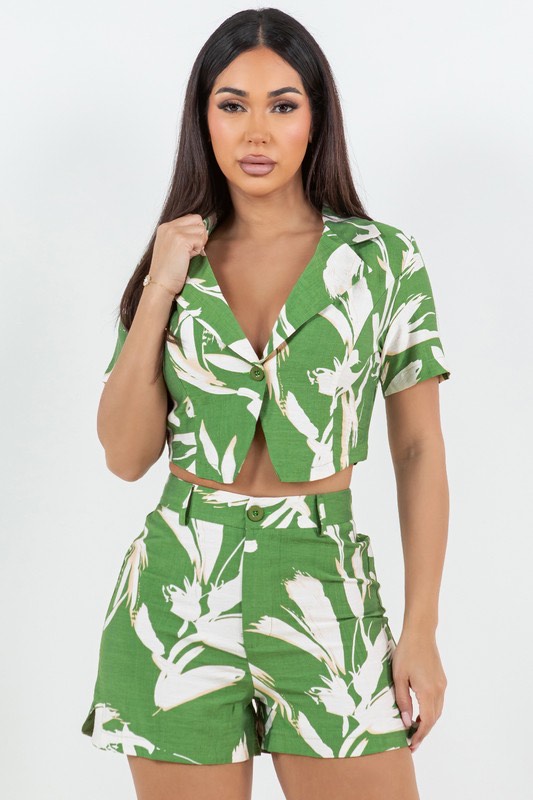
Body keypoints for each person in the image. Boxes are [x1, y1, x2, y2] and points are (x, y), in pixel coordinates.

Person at [81, 8, 451, 800]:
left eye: (282, 105)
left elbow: (417, 449)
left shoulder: (381, 260)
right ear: (203, 119)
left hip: (325, 589)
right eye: (232, 105)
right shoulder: (173, 261)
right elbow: (124, 456)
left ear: (315, 120)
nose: (256, 131)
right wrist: (160, 285)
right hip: (178, 596)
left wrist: (419, 628)